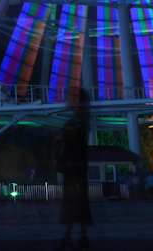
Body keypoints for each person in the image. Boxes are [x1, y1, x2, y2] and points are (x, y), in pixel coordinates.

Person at [56, 87, 92, 251]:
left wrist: (62, 139)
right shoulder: (83, 119)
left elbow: (73, 140)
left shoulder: (77, 120)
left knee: (72, 202)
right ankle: (79, 237)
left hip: (73, 167)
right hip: (78, 166)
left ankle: (69, 237)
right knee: (80, 202)